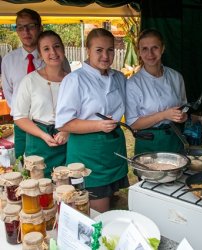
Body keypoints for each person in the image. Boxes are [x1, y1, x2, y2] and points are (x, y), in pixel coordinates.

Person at [55, 28, 128, 213]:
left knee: (111, 203)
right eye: (99, 50)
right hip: (88, 153)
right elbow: (64, 123)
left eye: (110, 50)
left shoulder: (119, 77)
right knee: (96, 213)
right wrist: (98, 125)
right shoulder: (75, 80)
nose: (105, 55)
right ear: (88, 50)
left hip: (113, 149)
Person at [1, 8, 71, 159]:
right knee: (24, 164)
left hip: (59, 126)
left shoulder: (58, 59)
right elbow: (8, 92)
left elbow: (68, 91)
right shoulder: (9, 60)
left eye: (31, 26)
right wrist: (25, 117)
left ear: (40, 27)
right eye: (20, 27)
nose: (25, 31)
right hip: (23, 122)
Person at [13, 30, 68, 178]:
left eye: (56, 46)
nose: (53, 52)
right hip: (38, 141)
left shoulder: (73, 80)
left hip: (68, 143)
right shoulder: (30, 80)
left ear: (63, 48)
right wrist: (43, 135)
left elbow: (82, 113)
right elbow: (19, 117)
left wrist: (67, 131)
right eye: (46, 49)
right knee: (40, 190)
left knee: (66, 188)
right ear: (40, 54)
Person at [125, 28, 187, 155]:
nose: (150, 54)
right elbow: (133, 123)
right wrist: (164, 115)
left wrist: (182, 116)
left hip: (174, 138)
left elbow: (184, 107)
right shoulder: (133, 83)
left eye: (155, 47)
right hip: (149, 141)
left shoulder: (176, 77)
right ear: (139, 52)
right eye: (145, 49)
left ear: (163, 48)